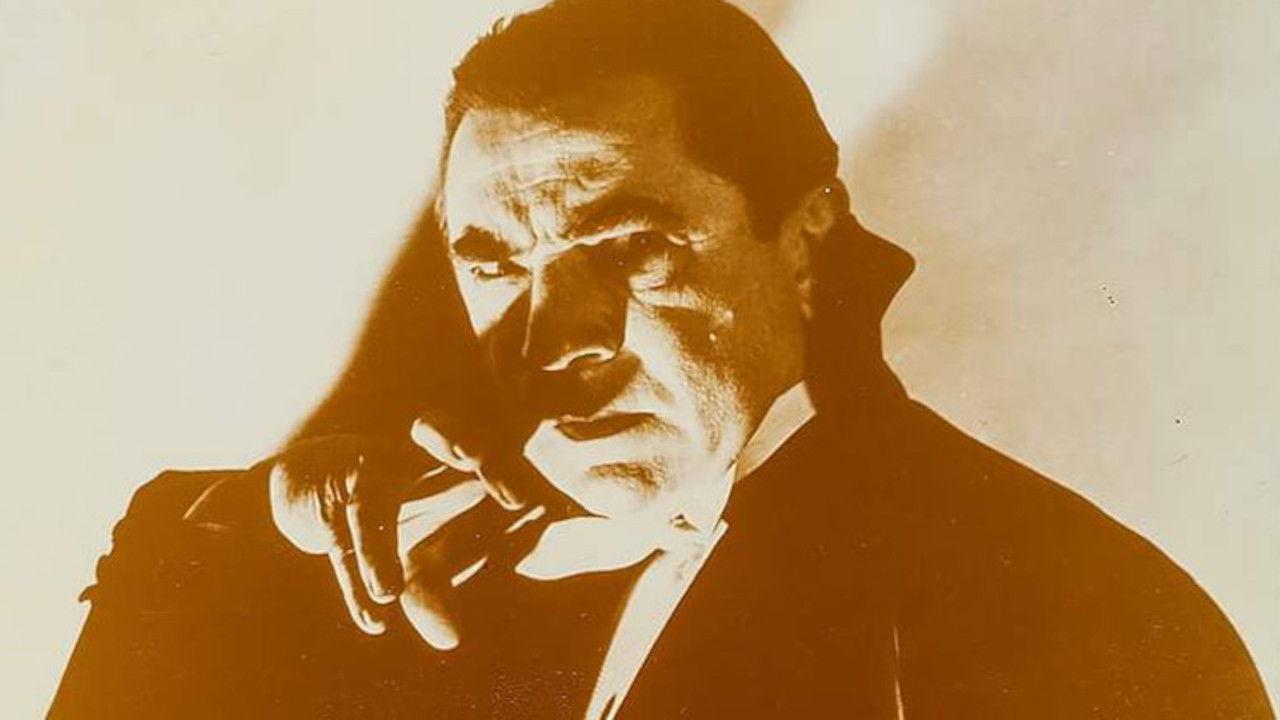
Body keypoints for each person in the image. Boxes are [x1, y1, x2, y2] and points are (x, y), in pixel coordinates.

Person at [50, 0, 1272, 717]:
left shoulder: (1072, 612)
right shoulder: (428, 568)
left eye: (628, 246)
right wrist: (268, 520)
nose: (552, 341)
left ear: (805, 242)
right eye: (494, 263)